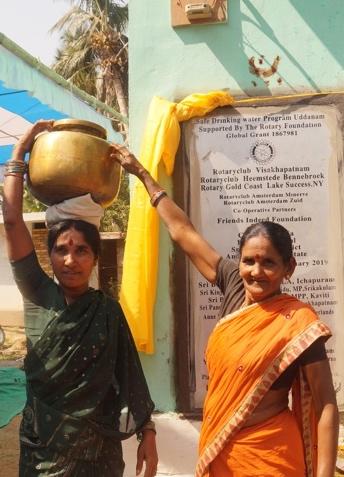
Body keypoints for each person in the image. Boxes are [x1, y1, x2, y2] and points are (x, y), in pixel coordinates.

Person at [112, 144, 339, 477]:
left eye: (269, 263)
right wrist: (144, 175)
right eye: (249, 261)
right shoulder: (233, 283)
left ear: (289, 268)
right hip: (222, 453)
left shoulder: (300, 324)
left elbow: (325, 405)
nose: (256, 272)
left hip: (272, 456)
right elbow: (182, 232)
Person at [2, 121, 158, 477]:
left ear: (95, 257)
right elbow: (12, 220)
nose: (70, 260)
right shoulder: (39, 293)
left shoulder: (107, 311)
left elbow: (129, 374)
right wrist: (20, 150)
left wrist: (147, 431)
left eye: (81, 251)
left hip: (98, 454)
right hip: (43, 451)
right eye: (61, 250)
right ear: (50, 256)